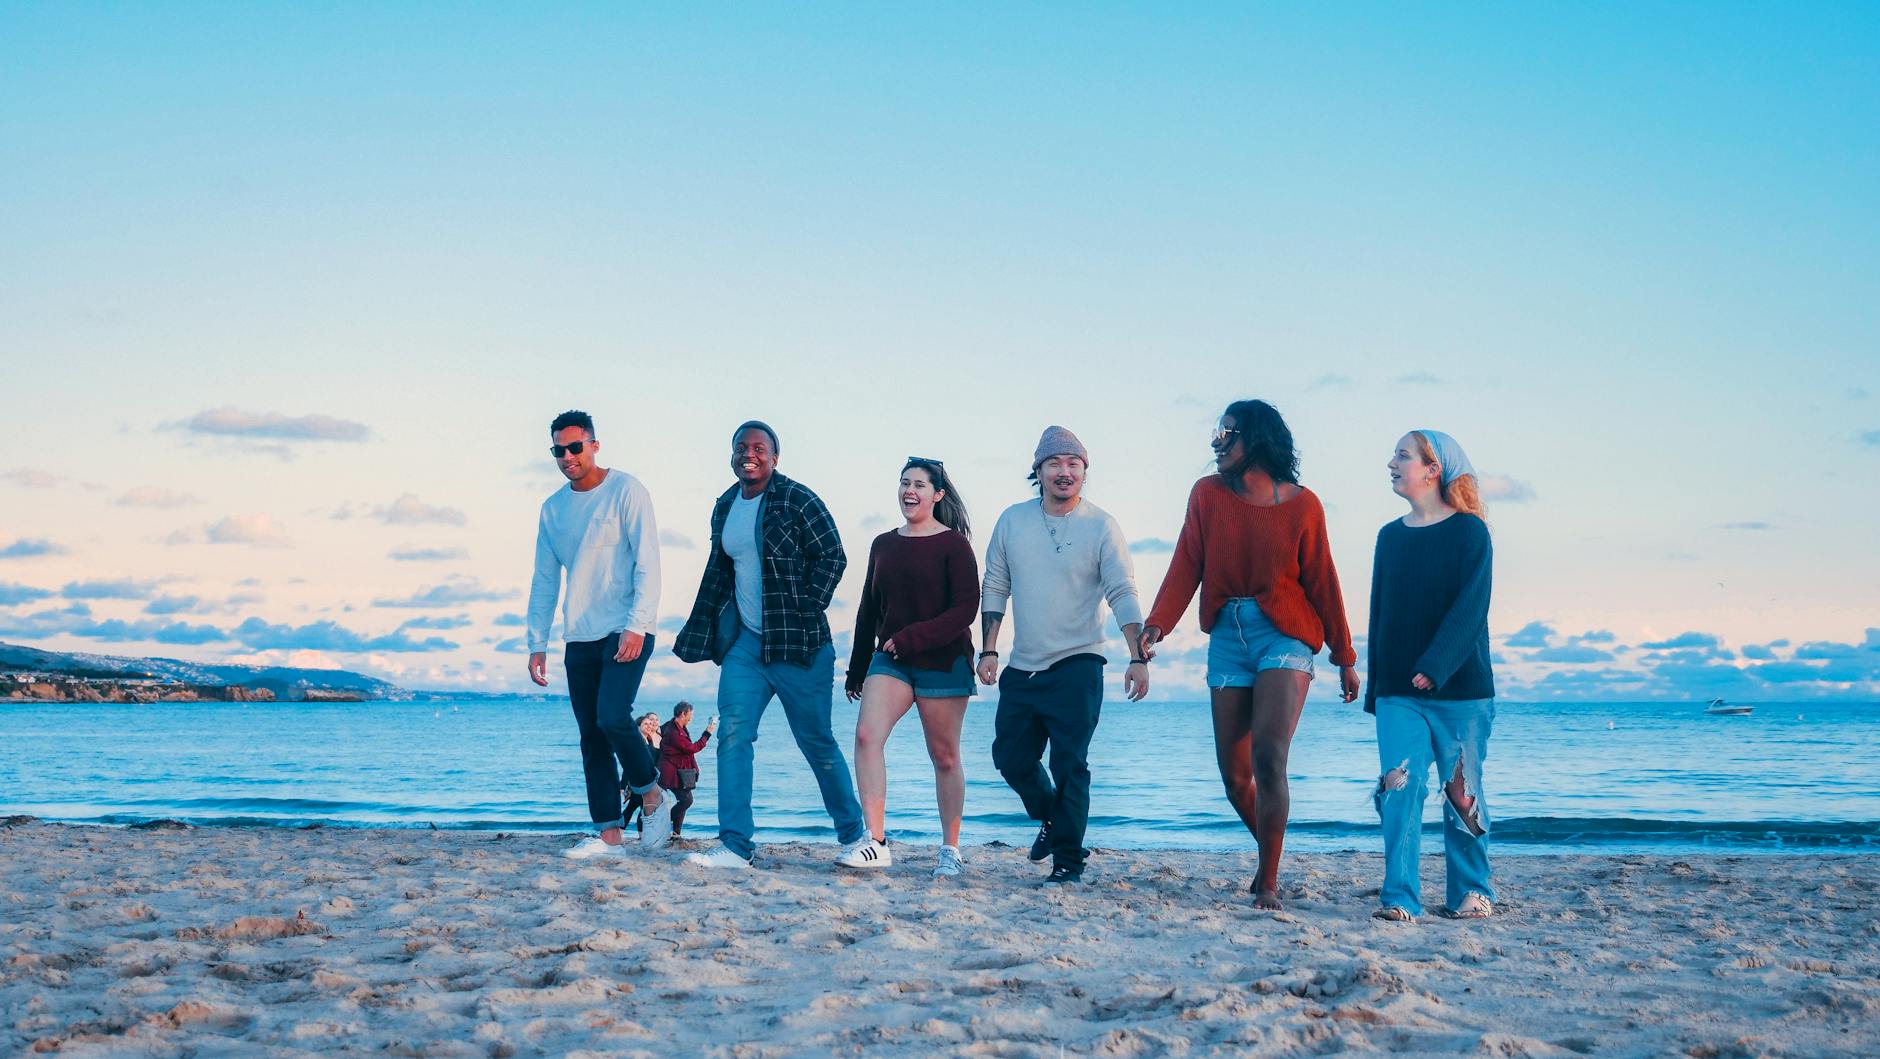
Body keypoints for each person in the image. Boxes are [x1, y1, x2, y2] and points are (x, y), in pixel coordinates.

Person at [1140, 399, 1358, 909]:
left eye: (1227, 434)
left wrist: (1344, 655)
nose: (1217, 444)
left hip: (1285, 632)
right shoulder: (1207, 495)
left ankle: (1268, 880)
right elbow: (1186, 562)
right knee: (1235, 777)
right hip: (1228, 636)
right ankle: (1272, 853)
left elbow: (1323, 581)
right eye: (1217, 434)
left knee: (1269, 755)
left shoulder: (1305, 506)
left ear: (1255, 439)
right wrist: (1157, 624)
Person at [672, 420, 870, 870]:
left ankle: (856, 838)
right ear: (732, 456)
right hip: (746, 646)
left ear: (775, 458)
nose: (750, 453)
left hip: (800, 646)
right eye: (741, 446)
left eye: (759, 447)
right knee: (732, 736)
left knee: (816, 741)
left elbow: (833, 556)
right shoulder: (725, 505)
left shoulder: (799, 499)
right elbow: (721, 570)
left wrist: (804, 608)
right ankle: (735, 845)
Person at [979, 427, 1148, 886]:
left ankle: (1068, 862)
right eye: (1054, 463)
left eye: (1073, 463)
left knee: (1069, 763)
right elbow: (995, 585)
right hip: (1023, 665)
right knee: (1010, 758)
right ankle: (1053, 818)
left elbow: (1121, 590)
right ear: (1038, 471)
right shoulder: (1013, 521)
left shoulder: (1101, 525)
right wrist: (989, 648)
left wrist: (1138, 656)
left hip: (1079, 662)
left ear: (1084, 471)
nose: (1064, 471)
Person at [526, 409, 671, 858]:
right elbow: (545, 579)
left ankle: (651, 793)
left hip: (628, 627)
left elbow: (648, 561)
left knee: (612, 717)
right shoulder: (553, 510)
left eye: (575, 447)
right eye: (558, 450)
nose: (567, 456)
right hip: (580, 634)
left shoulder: (627, 490)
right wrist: (537, 642)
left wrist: (637, 623)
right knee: (591, 735)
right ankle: (610, 835)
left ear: (594, 445)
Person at [1369, 430, 1496, 923]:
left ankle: (1472, 889)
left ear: (1432, 468)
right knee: (1398, 787)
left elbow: (1472, 609)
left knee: (1461, 793)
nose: (1392, 463)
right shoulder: (1389, 536)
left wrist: (1435, 667)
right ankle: (1399, 897)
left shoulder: (1470, 532)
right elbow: (1381, 617)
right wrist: (1377, 687)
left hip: (1461, 691)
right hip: (1399, 692)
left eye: (1403, 455)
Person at [842, 457, 979, 876]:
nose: (910, 490)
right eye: (904, 483)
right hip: (892, 661)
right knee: (867, 736)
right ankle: (876, 842)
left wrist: (912, 638)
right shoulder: (883, 544)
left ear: (937, 494)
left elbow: (965, 610)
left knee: (944, 756)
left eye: (920, 484)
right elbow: (869, 607)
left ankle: (950, 850)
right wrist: (858, 667)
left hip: (942, 660)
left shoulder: (954, 545)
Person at [657, 701, 717, 842]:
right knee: (686, 800)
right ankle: (662, 823)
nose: (691, 717)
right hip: (671, 772)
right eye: (690, 714)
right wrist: (707, 733)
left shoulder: (678, 727)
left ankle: (676, 834)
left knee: (683, 800)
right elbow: (692, 748)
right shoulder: (673, 731)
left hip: (679, 770)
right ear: (683, 713)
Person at [624, 712, 664, 833]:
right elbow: (629, 764)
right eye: (648, 722)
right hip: (641, 781)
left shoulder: (651, 739)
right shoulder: (639, 740)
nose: (652, 724)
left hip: (651, 780)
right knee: (635, 807)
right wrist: (624, 785)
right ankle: (620, 832)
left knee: (641, 807)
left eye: (654, 721)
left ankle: (641, 835)